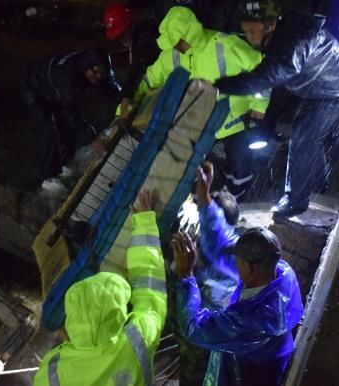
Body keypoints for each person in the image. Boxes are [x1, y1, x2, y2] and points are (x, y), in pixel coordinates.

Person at [215, 0, 339, 217]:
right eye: (246, 32)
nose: (250, 38)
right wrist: (267, 125)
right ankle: (317, 181)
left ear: (271, 24)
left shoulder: (298, 40)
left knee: (304, 136)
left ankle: (296, 201)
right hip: (316, 89)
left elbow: (270, 77)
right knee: (310, 133)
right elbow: (278, 84)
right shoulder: (279, 37)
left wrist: (222, 85)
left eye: (253, 31)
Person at [34, 190, 167, 386]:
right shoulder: (137, 341)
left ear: (71, 317)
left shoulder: (51, 371)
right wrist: (145, 224)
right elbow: (150, 292)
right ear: (120, 313)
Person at [133, 6, 268, 200]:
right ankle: (197, 201)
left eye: (177, 41)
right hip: (199, 121)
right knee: (189, 163)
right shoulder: (171, 55)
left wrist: (260, 105)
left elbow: (264, 71)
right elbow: (150, 80)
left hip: (235, 118)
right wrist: (133, 102)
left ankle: (235, 199)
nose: (174, 46)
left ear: (189, 35)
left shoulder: (226, 45)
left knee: (240, 161)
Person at [171, 216, 303, 386]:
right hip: (270, 368)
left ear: (249, 267)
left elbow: (193, 328)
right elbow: (224, 252)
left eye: (238, 262)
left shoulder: (249, 319)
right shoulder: (282, 273)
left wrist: (186, 275)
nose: (235, 265)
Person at [173, 162, 242, 386]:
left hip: (202, 327)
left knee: (194, 369)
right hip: (212, 327)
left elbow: (213, 235)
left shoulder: (224, 252)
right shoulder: (240, 254)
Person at [21, 49, 122, 180]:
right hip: (33, 86)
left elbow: (111, 86)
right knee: (49, 130)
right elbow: (72, 114)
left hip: (54, 87)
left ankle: (65, 166)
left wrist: (126, 98)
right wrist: (93, 140)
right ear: (87, 67)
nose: (97, 76)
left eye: (101, 73)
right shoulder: (69, 78)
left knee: (67, 129)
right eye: (94, 71)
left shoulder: (100, 71)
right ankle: (48, 178)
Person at [103, 3, 161, 117]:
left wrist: (126, 96)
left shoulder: (146, 37)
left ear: (130, 26)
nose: (120, 39)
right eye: (117, 37)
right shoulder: (137, 37)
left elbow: (140, 65)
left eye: (121, 34)